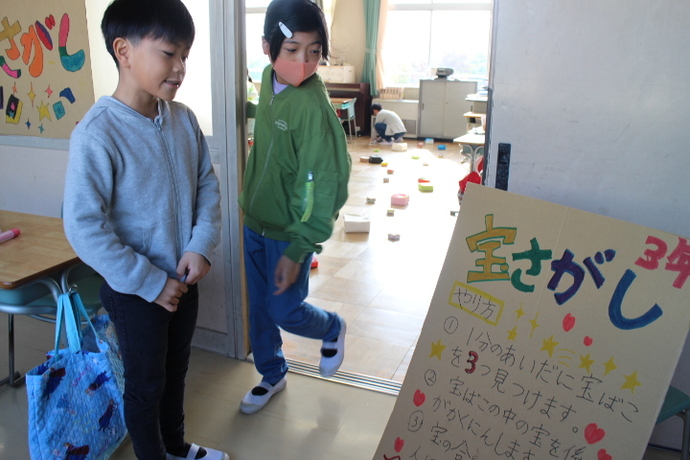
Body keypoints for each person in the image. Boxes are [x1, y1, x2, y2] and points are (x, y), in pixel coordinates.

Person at [62, 1, 226, 459]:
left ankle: (175, 447)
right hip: (136, 292)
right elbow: (83, 226)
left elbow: (207, 187)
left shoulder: (183, 119)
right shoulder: (98, 133)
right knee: (145, 385)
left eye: (185, 56)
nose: (180, 68)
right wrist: (150, 283)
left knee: (176, 373)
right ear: (124, 51)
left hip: (185, 280)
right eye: (169, 53)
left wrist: (201, 246)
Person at [238, 0, 352, 415]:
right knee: (259, 311)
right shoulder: (268, 78)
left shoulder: (312, 107)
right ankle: (272, 373)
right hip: (255, 221)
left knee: (284, 310)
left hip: (289, 232)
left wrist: (300, 245)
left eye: (315, 51)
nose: (304, 62)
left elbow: (326, 184)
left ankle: (332, 327)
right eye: (292, 50)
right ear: (267, 47)